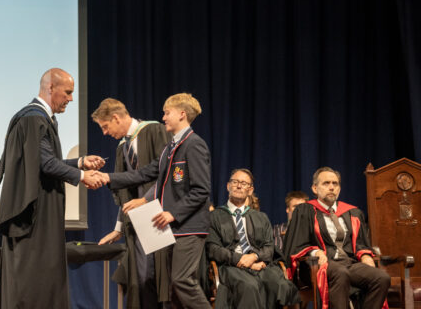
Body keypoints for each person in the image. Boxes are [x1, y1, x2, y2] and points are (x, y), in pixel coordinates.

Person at [0, 68, 105, 309]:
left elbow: (43, 161)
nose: (71, 99)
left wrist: (79, 162)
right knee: (34, 282)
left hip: (40, 213)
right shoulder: (33, 119)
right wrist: (82, 176)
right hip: (34, 218)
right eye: (68, 92)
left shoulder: (40, 119)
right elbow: (45, 164)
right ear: (50, 87)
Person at [98, 92, 212, 308]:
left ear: (182, 114)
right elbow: (144, 174)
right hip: (172, 228)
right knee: (172, 289)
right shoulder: (170, 148)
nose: (163, 118)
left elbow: (201, 190)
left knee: (182, 281)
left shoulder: (194, 144)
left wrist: (173, 213)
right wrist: (107, 178)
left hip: (189, 228)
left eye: (167, 113)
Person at [91, 98, 171, 308]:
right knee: (140, 281)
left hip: (160, 216)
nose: (105, 133)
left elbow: (167, 174)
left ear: (116, 118)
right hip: (137, 222)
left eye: (105, 126)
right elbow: (124, 192)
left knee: (155, 278)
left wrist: (146, 200)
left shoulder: (154, 131)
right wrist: (118, 228)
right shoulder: (122, 147)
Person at [283, 167, 390, 309]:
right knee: (340, 273)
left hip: (349, 263)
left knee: (381, 278)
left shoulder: (352, 212)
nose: (331, 187)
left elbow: (360, 243)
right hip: (317, 264)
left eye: (335, 183)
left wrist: (365, 255)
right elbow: (297, 243)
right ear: (315, 188)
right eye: (326, 183)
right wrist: (315, 252)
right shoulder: (305, 211)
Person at [206, 169, 300, 309]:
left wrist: (254, 257)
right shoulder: (214, 216)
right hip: (231, 267)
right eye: (235, 182)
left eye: (244, 183)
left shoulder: (261, 217)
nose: (239, 186)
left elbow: (269, 248)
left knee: (282, 285)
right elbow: (213, 249)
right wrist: (241, 260)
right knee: (249, 286)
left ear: (250, 190)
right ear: (228, 186)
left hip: (259, 265)